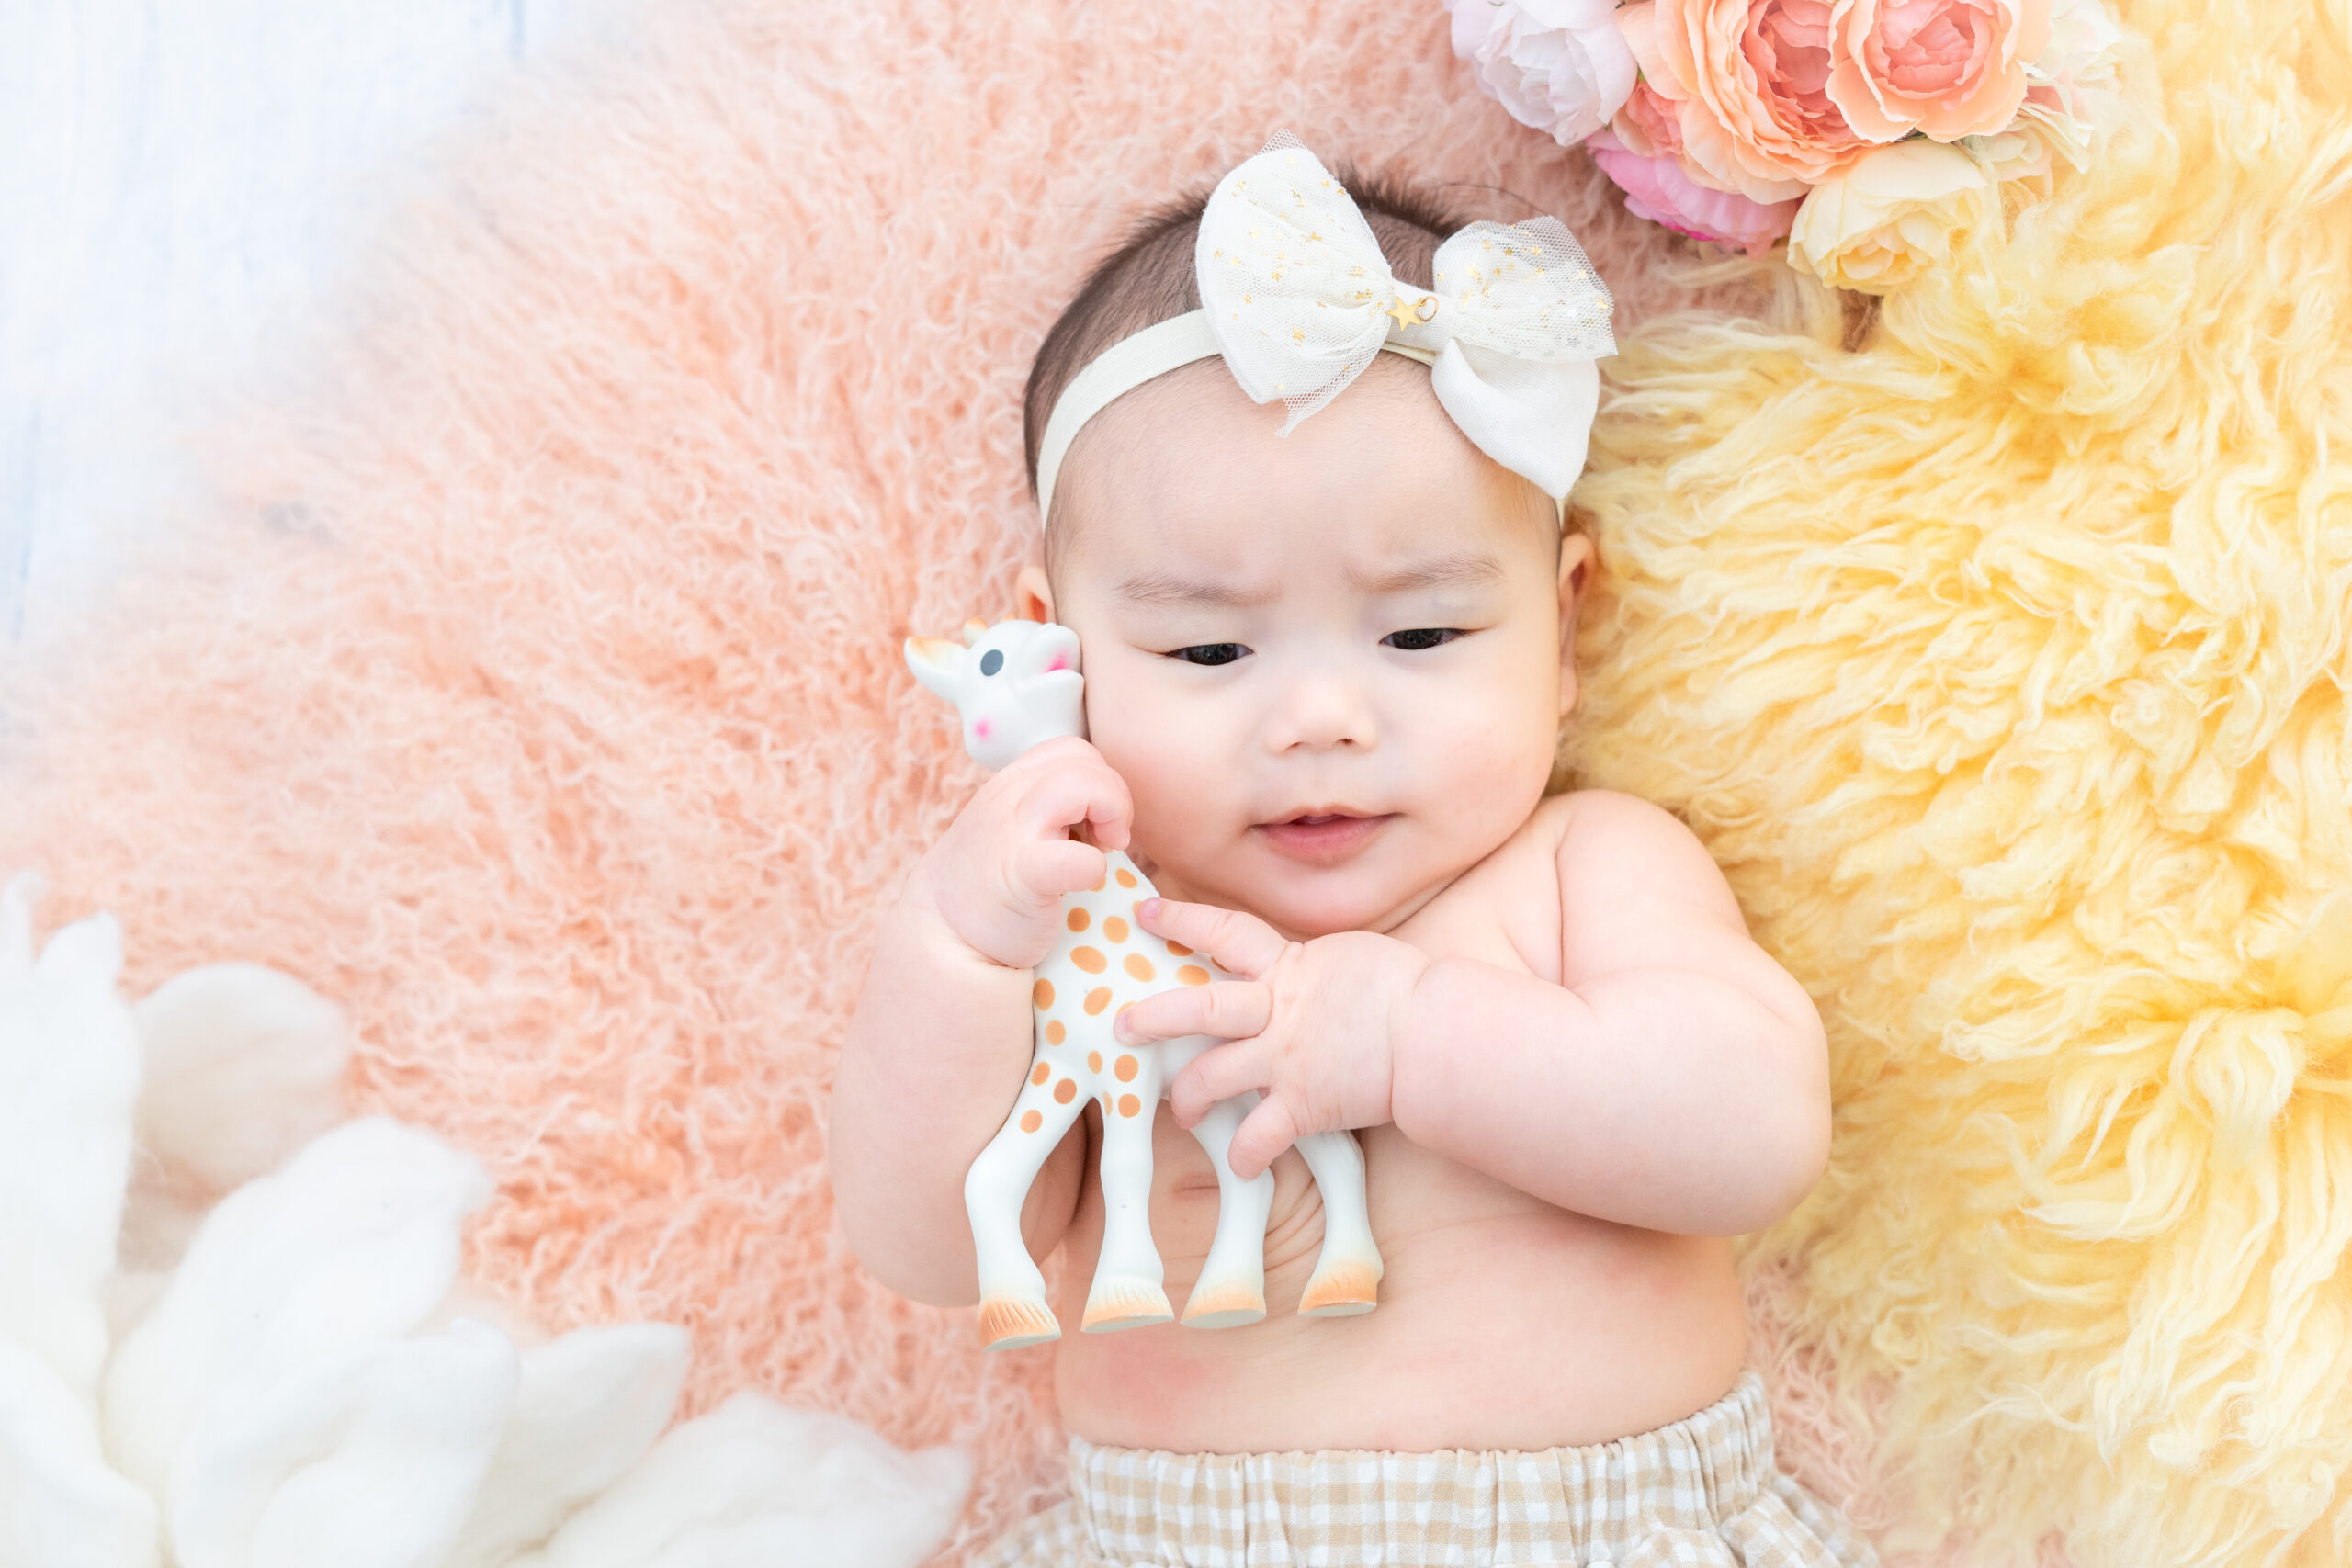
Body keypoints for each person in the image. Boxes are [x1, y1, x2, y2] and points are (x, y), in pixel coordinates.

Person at [831, 134, 1872, 1566]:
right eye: (1210, 649)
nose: (1321, 719)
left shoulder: (1581, 872)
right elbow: (935, 1251)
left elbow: (1756, 1133)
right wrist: (958, 949)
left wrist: (1413, 1039)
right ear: (1059, 650)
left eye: (1422, 633)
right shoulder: (1105, 948)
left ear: (1566, 628)